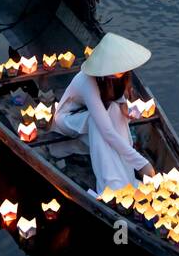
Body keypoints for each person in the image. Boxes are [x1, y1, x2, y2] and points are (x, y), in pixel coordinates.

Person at [52, 33, 157, 194]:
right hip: (68, 120)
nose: (119, 71)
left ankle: (126, 176)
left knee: (114, 111)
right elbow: (107, 131)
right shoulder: (87, 80)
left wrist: (123, 105)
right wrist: (142, 163)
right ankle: (111, 184)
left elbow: (115, 96)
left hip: (89, 114)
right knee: (99, 124)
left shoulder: (117, 76)